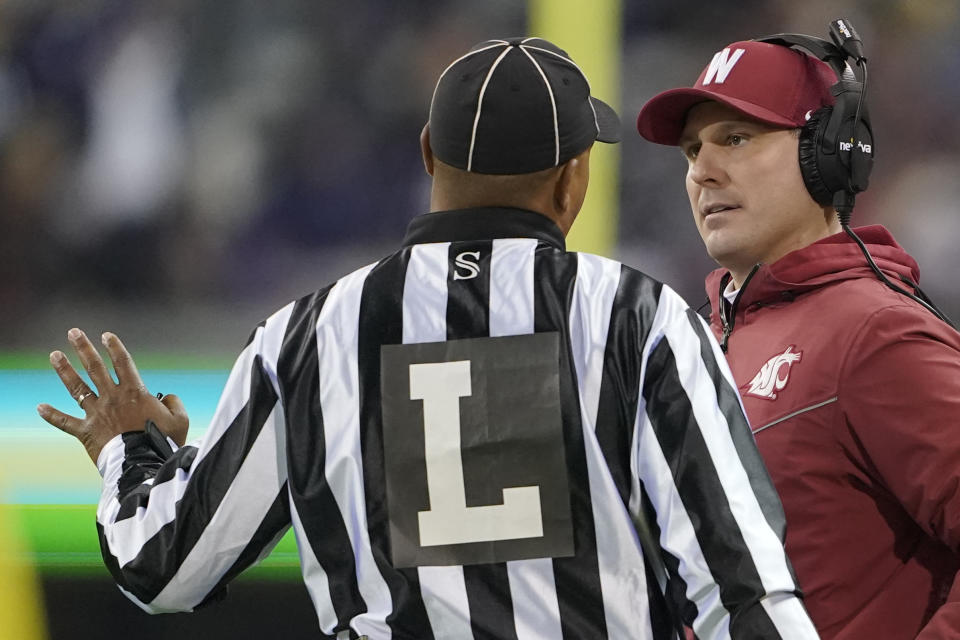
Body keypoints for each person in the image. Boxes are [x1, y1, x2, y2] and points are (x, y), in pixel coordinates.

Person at [39, 37, 819, 639]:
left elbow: (163, 564)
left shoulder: (303, 338)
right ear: (574, 177)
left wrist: (131, 450)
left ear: (426, 155)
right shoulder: (636, 316)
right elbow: (744, 590)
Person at [636, 25, 960, 640]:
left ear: (827, 153)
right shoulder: (692, 343)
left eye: (735, 138)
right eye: (691, 151)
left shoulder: (875, 334)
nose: (702, 171)